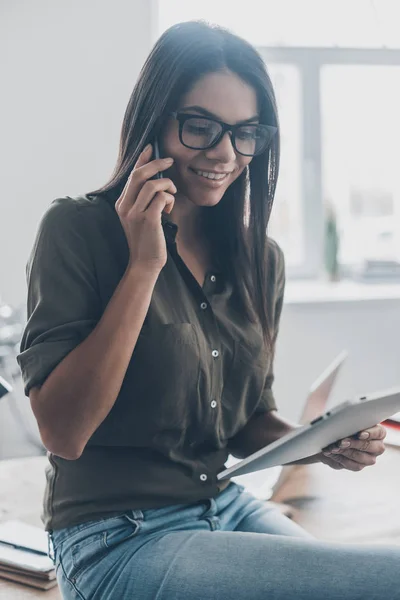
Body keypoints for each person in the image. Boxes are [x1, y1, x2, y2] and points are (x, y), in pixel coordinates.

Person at [17, 21, 399, 600]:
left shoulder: (258, 258)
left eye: (246, 133)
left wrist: (318, 442)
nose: (224, 153)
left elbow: (245, 423)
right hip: (117, 540)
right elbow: (63, 433)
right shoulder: (77, 230)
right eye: (200, 127)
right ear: (154, 121)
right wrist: (144, 267)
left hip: (225, 504)